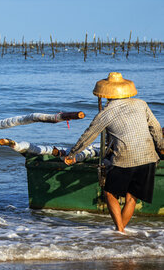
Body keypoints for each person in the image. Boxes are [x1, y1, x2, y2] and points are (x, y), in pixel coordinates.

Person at [64, 72, 163, 233]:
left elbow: (88, 136)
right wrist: (161, 146)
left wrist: (72, 153)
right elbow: (156, 128)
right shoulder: (141, 104)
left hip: (125, 158)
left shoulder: (106, 113)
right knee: (131, 197)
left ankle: (120, 231)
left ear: (105, 94)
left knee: (109, 193)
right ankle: (120, 232)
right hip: (148, 157)